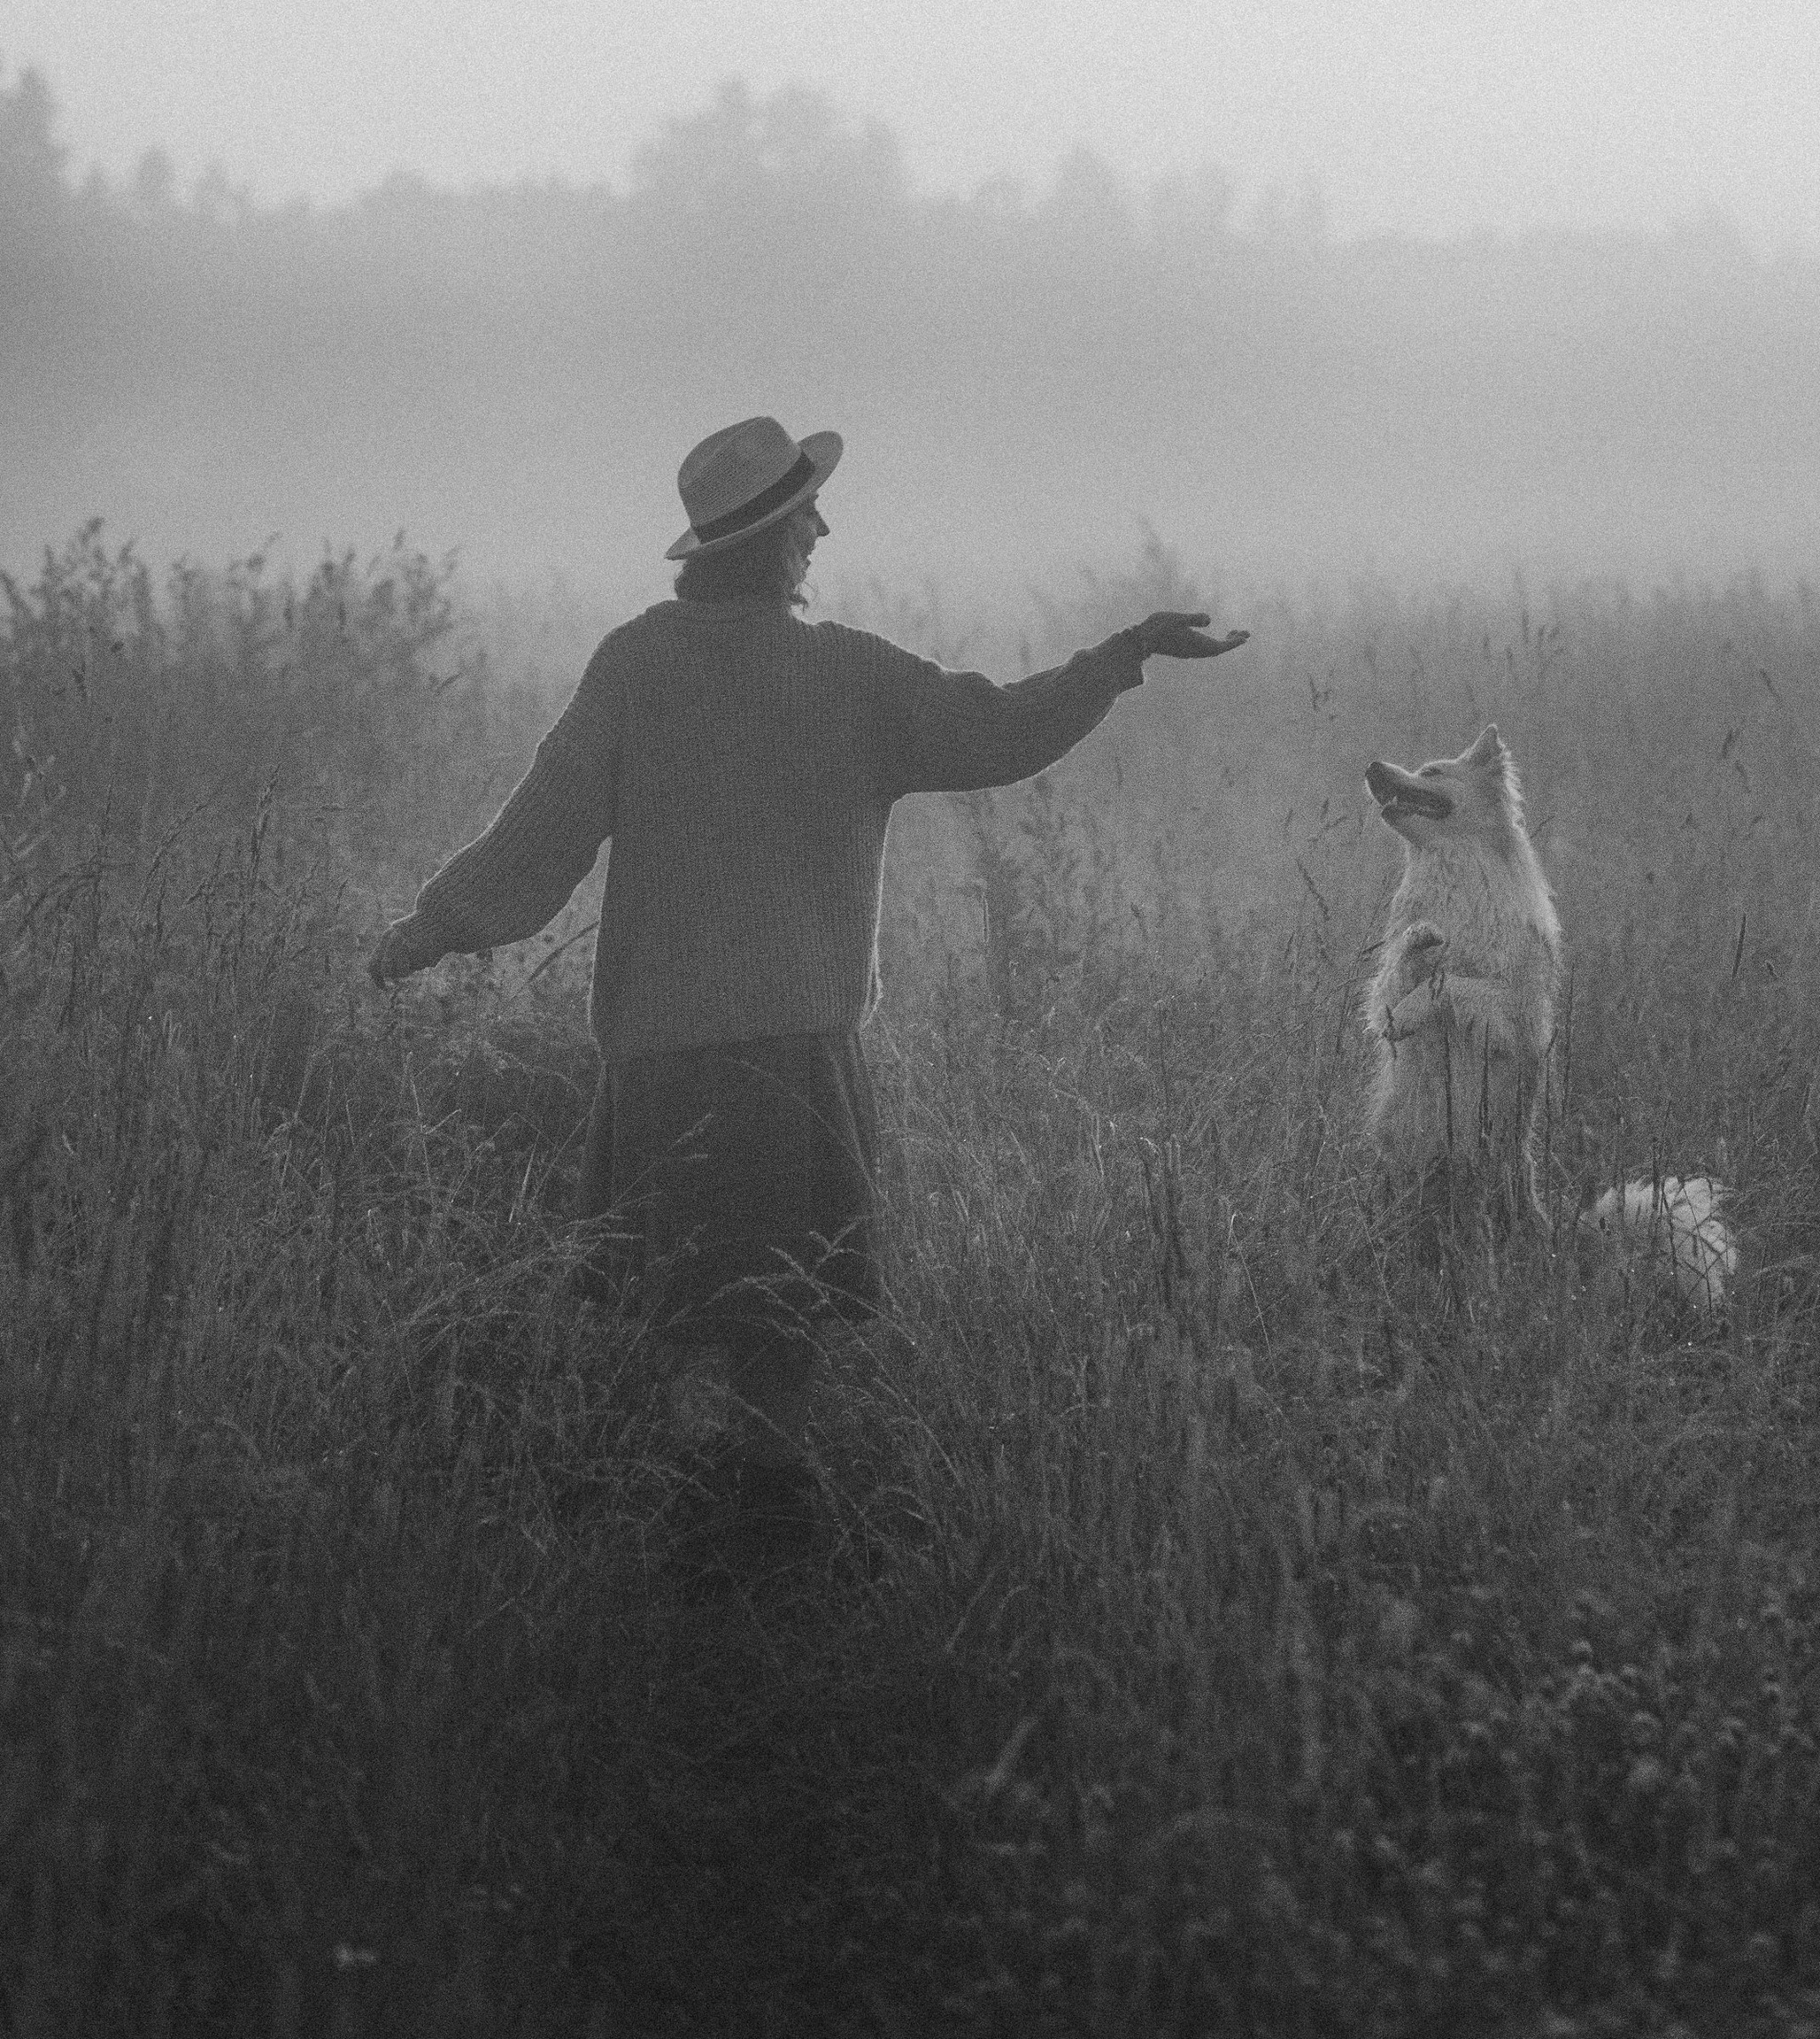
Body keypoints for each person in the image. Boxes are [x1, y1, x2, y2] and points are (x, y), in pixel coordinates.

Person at [366, 413, 1246, 1508]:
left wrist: (431, 929)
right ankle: (765, 1520)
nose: (823, 527)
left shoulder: (638, 662)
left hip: (667, 1056)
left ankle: (697, 1530)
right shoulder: (846, 676)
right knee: (781, 1326)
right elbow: (1003, 729)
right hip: (795, 1054)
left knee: (683, 1316)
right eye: (805, 514)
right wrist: (1125, 655)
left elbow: (541, 834)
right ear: (773, 541)